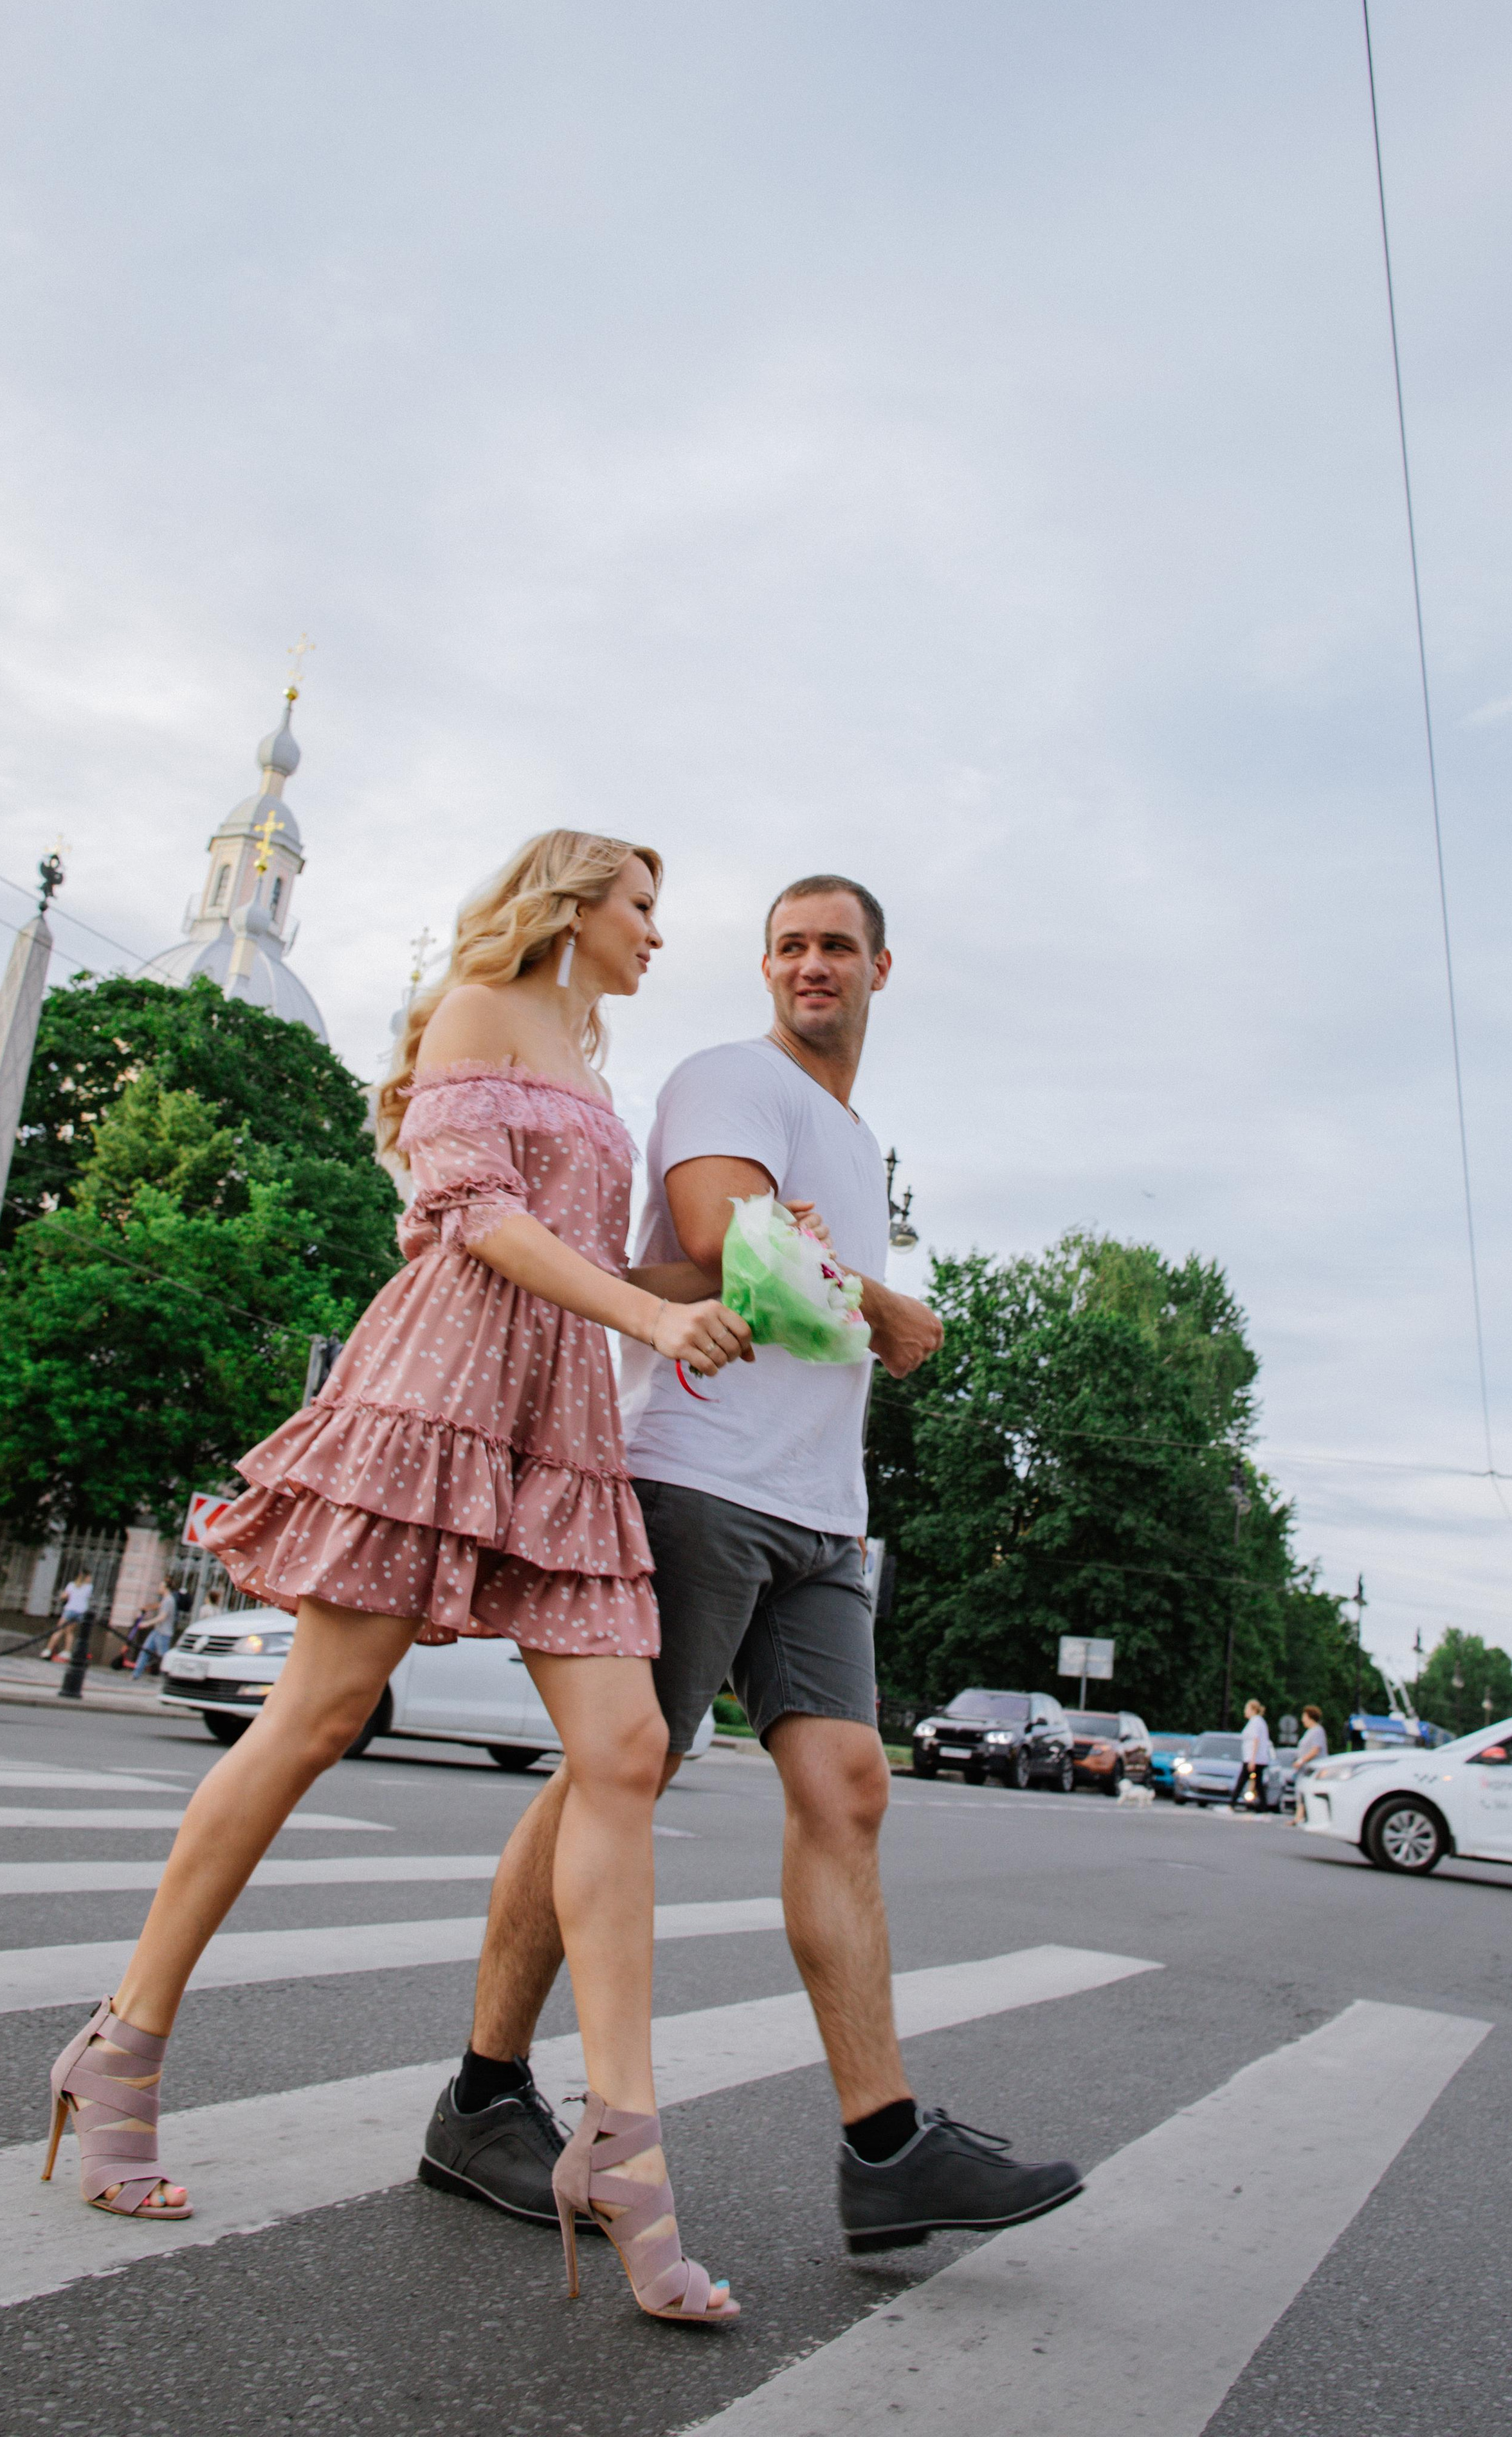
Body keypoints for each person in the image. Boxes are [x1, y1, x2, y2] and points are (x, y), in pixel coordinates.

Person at [42, 831, 751, 2326]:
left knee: (624, 1748)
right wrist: (638, 1304)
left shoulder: (589, 1054)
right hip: (441, 1381)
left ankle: (623, 2154)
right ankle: (118, 2045)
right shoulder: (478, 1007)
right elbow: (484, 1220)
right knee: (313, 1714)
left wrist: (751, 1271)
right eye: (641, 908)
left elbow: (600, 1254)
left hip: (556, 1407)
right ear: (569, 903)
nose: (654, 936)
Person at [423, 873, 1084, 2255]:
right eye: (787, 945)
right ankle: (483, 2093)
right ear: (765, 968)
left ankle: (885, 2148)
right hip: (698, 1474)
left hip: (816, 1508)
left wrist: (859, 1334)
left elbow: (797, 1284)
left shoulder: (852, 1131)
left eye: (836, 946)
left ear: (881, 970)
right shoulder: (734, 1077)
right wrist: (888, 1303)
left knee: (848, 1789)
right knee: (627, 1767)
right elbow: (728, 1236)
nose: (810, 965)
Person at [128, 1582, 182, 1678]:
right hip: (157, 1631)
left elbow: (162, 1617)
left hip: (164, 1633)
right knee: (145, 1651)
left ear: (166, 1588)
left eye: (161, 1587)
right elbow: (158, 1606)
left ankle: (167, 1677)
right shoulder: (166, 1600)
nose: (159, 1589)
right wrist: (147, 1608)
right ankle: (136, 1674)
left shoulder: (169, 1600)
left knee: (163, 1657)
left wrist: (147, 1623)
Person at [1230, 1699, 1272, 1812]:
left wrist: (1252, 1759)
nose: (1245, 1711)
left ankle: (1232, 1805)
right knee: (1258, 1783)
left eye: (1247, 1709)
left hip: (1253, 1758)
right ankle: (1263, 1807)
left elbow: (1255, 1740)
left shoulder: (1255, 1722)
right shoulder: (1259, 1721)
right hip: (1257, 1758)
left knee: (1242, 1781)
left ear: (1253, 1709)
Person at [41, 1573, 93, 1661]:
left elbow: (64, 1596)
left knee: (59, 1630)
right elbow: (88, 1597)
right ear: (86, 1578)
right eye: (90, 1577)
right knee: (70, 1632)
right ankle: (67, 1652)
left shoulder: (72, 1585)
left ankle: (48, 1650)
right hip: (80, 1612)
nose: (91, 1579)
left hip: (70, 1610)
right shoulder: (89, 1587)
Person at [1291, 1703, 1328, 1823]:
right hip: (1306, 1768)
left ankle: (1302, 1817)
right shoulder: (1311, 1731)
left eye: (1304, 1716)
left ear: (1309, 1717)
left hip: (1313, 1769)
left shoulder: (1317, 1731)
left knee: (1307, 1790)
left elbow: (1315, 1750)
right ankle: (1299, 1817)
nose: (1303, 1719)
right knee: (1302, 1790)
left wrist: (1301, 1761)